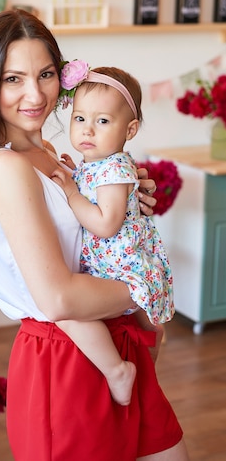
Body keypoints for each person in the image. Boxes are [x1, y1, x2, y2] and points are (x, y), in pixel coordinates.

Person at [0, 9, 188, 460]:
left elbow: (87, 232)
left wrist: (126, 201)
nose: (34, 94)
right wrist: (144, 287)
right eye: (13, 79)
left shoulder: (48, 150)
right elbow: (56, 300)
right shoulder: (7, 167)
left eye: (46, 74)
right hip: (65, 356)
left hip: (114, 336)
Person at [50, 61, 174, 407]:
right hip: (112, 264)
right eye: (80, 119)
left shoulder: (116, 168)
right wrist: (76, 176)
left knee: (69, 312)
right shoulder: (98, 164)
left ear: (130, 129)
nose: (87, 129)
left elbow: (106, 223)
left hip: (119, 268)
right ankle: (151, 338)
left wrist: (72, 193)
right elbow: (95, 190)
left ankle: (119, 370)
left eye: (102, 121)